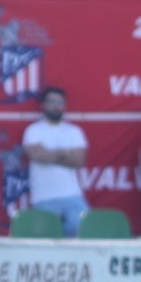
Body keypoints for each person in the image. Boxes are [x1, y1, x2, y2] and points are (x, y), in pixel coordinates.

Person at [22, 86, 88, 237]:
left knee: (84, 232)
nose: (56, 106)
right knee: (45, 238)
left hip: (73, 195)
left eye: (60, 102)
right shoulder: (33, 130)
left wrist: (49, 154)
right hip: (44, 197)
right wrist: (65, 153)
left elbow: (79, 160)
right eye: (52, 101)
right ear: (43, 105)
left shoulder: (74, 131)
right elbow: (36, 156)